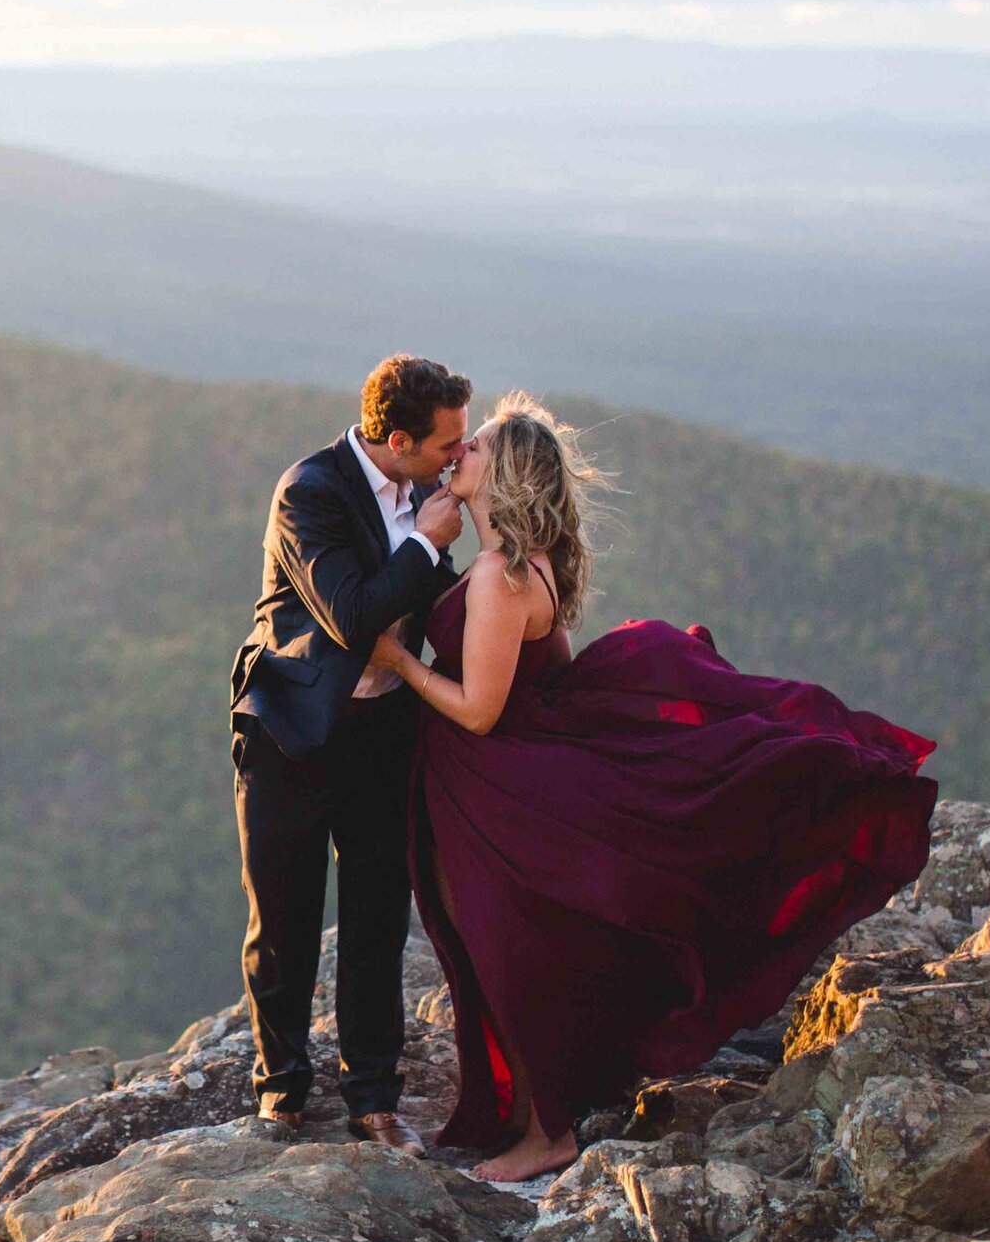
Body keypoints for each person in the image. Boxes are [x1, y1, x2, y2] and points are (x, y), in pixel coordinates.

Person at [368, 394, 938, 1181]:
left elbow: (478, 709)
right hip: (489, 790)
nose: (461, 449)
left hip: (495, 795)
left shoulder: (501, 576)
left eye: (480, 444)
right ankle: (532, 1114)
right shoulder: (515, 565)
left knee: (507, 953)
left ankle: (548, 1133)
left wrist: (398, 663)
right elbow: (557, 671)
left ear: (504, 475)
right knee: (499, 948)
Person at [230, 354, 471, 1153]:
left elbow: (446, 609)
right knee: (285, 915)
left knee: (376, 912)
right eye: (446, 445)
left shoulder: (427, 490)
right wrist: (430, 544)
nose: (456, 459)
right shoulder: (311, 491)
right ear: (397, 438)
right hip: (295, 729)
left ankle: (374, 1096)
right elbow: (352, 613)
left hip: (385, 731)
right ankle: (282, 1090)